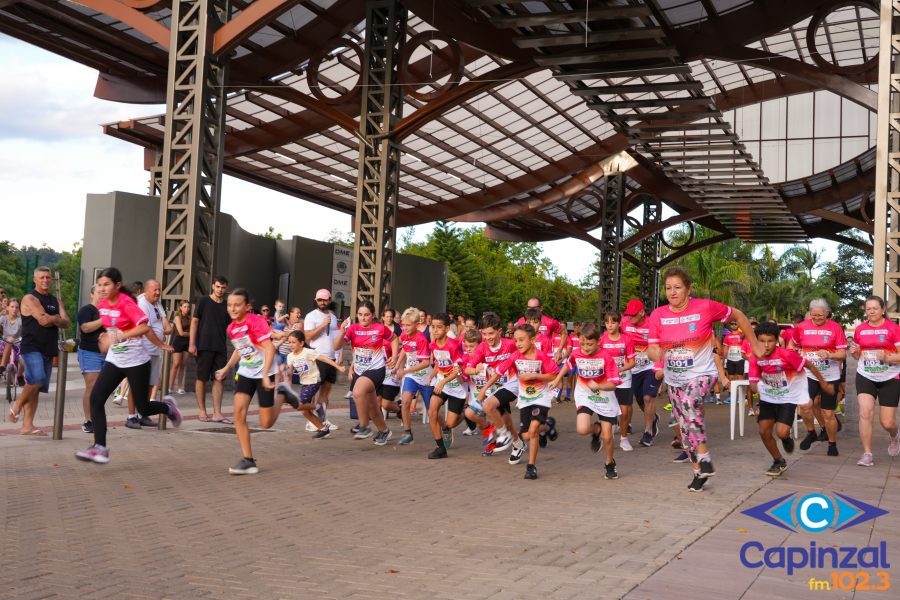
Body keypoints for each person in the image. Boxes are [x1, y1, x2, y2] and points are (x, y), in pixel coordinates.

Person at [646, 267, 760, 492]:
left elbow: (738, 315)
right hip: (675, 379)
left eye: (678, 287)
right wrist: (655, 354)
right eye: (668, 288)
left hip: (702, 374)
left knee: (690, 406)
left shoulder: (705, 307)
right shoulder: (658, 315)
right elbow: (651, 347)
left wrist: (754, 343)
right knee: (685, 427)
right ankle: (699, 471)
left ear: (688, 289)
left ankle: (705, 455)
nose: (673, 292)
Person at [75, 268, 182, 464]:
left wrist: (121, 336)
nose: (102, 288)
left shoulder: (127, 303)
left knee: (144, 407)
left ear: (117, 285)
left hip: (137, 360)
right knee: (96, 399)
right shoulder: (103, 305)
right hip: (115, 359)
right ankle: (100, 447)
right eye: (99, 285)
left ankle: (167, 407)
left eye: (106, 284)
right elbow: (111, 328)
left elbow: (144, 327)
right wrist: (106, 337)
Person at [749, 321, 831, 476]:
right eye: (762, 341)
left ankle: (786, 438)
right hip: (768, 397)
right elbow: (753, 383)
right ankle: (778, 461)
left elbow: (810, 366)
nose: (766, 345)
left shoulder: (787, 354)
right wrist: (759, 390)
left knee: (781, 433)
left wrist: (823, 383)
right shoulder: (755, 357)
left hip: (788, 397)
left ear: (777, 340)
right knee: (763, 431)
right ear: (756, 340)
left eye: (770, 341)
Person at [214, 288, 282, 475]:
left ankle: (282, 396)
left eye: (237, 305)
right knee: (238, 414)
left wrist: (267, 374)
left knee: (266, 423)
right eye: (229, 305)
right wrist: (227, 368)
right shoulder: (232, 328)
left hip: (264, 373)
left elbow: (269, 348)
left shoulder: (256, 321)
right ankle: (248, 460)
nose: (232, 308)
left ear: (247, 307)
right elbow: (240, 349)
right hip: (246, 372)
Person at [481, 323, 560, 479]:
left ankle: (531, 467)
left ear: (533, 339)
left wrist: (534, 376)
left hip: (541, 397)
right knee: (525, 435)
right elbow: (498, 372)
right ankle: (548, 426)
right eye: (516, 340)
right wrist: (484, 388)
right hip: (525, 399)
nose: (518, 344)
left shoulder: (541, 356)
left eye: (522, 340)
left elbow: (554, 375)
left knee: (533, 429)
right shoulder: (515, 356)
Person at [554, 322, 622, 479]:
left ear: (599, 341)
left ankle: (609, 462)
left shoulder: (606, 357)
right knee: (582, 429)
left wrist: (598, 385)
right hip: (585, 394)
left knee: (607, 437)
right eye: (583, 344)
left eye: (590, 344)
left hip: (604, 397)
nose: (585, 347)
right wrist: (557, 378)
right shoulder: (577, 353)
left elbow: (614, 384)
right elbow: (569, 364)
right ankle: (596, 429)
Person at [10, 267, 70, 435]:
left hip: (48, 348)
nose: (45, 280)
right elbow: (43, 321)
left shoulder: (56, 301)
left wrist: (54, 319)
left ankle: (27, 426)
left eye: (48, 277)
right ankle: (17, 405)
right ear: (35, 280)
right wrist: (56, 319)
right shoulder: (30, 298)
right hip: (31, 347)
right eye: (42, 277)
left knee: (37, 387)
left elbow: (67, 322)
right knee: (36, 380)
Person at [334, 300, 398, 445]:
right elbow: (336, 346)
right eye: (360, 314)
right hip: (360, 371)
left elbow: (394, 339)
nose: (363, 318)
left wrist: (394, 356)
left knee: (357, 392)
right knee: (372, 406)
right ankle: (384, 431)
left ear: (373, 315)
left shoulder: (380, 328)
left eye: (367, 315)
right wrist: (342, 330)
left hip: (376, 370)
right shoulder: (352, 329)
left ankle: (364, 426)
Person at [791, 298, 847, 456]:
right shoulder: (802, 327)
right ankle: (811, 432)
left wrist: (829, 354)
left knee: (828, 413)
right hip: (808, 373)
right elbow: (792, 345)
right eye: (813, 315)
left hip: (830, 375)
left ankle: (832, 443)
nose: (816, 319)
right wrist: (793, 354)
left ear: (827, 314)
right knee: (804, 406)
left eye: (820, 316)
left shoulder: (835, 328)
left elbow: (843, 354)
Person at [849, 296, 900, 466]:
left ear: (883, 309)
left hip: (890, 376)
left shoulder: (893, 328)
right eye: (868, 309)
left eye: (875, 308)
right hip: (866, 375)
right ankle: (867, 454)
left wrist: (887, 357)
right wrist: (854, 352)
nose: (871, 312)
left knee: (887, 422)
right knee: (865, 412)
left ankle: (894, 436)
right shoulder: (860, 329)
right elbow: (857, 355)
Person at [466, 311, 519, 456]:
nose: (488, 337)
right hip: (494, 387)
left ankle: (503, 434)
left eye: (491, 333)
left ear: (499, 331)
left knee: (488, 405)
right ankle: (517, 444)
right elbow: (467, 368)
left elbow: (526, 350)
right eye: (485, 334)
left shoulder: (510, 345)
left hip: (511, 384)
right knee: (506, 422)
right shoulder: (482, 347)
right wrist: (475, 370)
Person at [278, 330, 344, 439]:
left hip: (313, 382)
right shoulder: (290, 356)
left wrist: (338, 367)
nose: (291, 345)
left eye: (293, 342)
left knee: (299, 403)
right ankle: (323, 429)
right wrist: (284, 370)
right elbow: (290, 372)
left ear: (301, 343)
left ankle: (317, 406)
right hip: (305, 384)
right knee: (304, 411)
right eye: (289, 342)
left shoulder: (307, 352)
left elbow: (324, 358)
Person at [130, 279, 173, 428]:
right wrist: (162, 343)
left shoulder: (157, 303)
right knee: (135, 384)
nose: (157, 293)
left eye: (159, 290)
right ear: (146, 290)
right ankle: (131, 416)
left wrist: (165, 331)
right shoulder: (142, 303)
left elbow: (165, 324)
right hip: (144, 349)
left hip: (155, 351)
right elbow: (145, 330)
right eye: (154, 290)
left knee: (150, 383)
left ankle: (143, 414)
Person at [424, 313, 468, 459]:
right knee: (432, 411)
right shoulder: (432, 345)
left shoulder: (454, 345)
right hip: (442, 383)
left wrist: (443, 381)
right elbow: (439, 362)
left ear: (447, 328)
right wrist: (433, 376)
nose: (435, 330)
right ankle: (440, 448)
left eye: (439, 327)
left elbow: (458, 370)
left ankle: (466, 414)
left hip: (457, 386)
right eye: (433, 327)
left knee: (451, 423)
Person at [190, 275, 230, 423]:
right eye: (218, 286)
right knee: (201, 378)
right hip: (203, 345)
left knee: (219, 378)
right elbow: (194, 322)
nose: (220, 290)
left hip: (220, 347)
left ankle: (217, 413)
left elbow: (231, 325)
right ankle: (202, 410)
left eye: (223, 287)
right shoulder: (203, 301)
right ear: (213, 286)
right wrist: (192, 344)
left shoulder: (227, 305)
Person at [622, 299, 661, 446]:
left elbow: (661, 344)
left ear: (642, 313)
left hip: (650, 366)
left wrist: (660, 365)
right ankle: (653, 419)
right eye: (628, 314)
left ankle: (648, 432)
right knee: (640, 401)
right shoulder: (624, 322)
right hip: (633, 368)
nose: (630, 317)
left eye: (633, 315)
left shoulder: (653, 324)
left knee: (647, 398)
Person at [394, 307, 432, 446]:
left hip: (425, 377)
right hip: (411, 376)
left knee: (431, 410)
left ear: (417, 324)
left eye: (408, 325)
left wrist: (405, 370)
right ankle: (408, 433)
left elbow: (426, 362)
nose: (405, 328)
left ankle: (444, 427)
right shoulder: (404, 335)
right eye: (403, 325)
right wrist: (398, 365)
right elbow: (405, 348)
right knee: (405, 402)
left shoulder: (421, 339)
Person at [303, 289, 340, 430]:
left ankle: (323, 419)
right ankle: (310, 421)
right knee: (313, 389)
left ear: (329, 300)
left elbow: (334, 337)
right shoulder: (311, 316)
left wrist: (338, 354)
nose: (322, 302)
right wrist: (323, 325)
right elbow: (308, 336)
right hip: (317, 356)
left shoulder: (333, 316)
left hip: (331, 357)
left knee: (326, 390)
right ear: (315, 300)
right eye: (319, 300)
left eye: (325, 299)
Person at [600, 313, 636, 451]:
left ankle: (624, 438)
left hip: (624, 379)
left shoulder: (627, 340)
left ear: (619, 324)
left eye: (613, 322)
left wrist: (620, 369)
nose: (610, 325)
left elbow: (632, 362)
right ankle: (607, 436)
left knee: (625, 411)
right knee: (608, 409)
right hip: (608, 379)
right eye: (607, 322)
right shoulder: (601, 340)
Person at [76, 287, 105, 434]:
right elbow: (85, 328)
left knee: (102, 388)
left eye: (104, 292)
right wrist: (103, 320)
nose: (102, 295)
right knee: (91, 386)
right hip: (89, 352)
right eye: (99, 292)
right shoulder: (86, 310)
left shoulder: (109, 310)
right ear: (92, 294)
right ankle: (89, 420)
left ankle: (98, 417)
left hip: (107, 352)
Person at [169, 300, 191, 394]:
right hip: (178, 341)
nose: (187, 309)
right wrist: (191, 334)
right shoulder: (177, 318)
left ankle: (179, 387)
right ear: (181, 307)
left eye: (188, 307)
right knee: (176, 364)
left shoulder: (190, 318)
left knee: (183, 365)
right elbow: (181, 333)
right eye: (185, 306)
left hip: (187, 343)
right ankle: (169, 387)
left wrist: (190, 335)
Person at [0, 297, 22, 378]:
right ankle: (2, 366)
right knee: (9, 339)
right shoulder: (4, 318)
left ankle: (20, 375)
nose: (14, 309)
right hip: (4, 344)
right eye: (12, 307)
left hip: (18, 344)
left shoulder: (20, 320)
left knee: (23, 363)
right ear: (7, 308)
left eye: (17, 307)